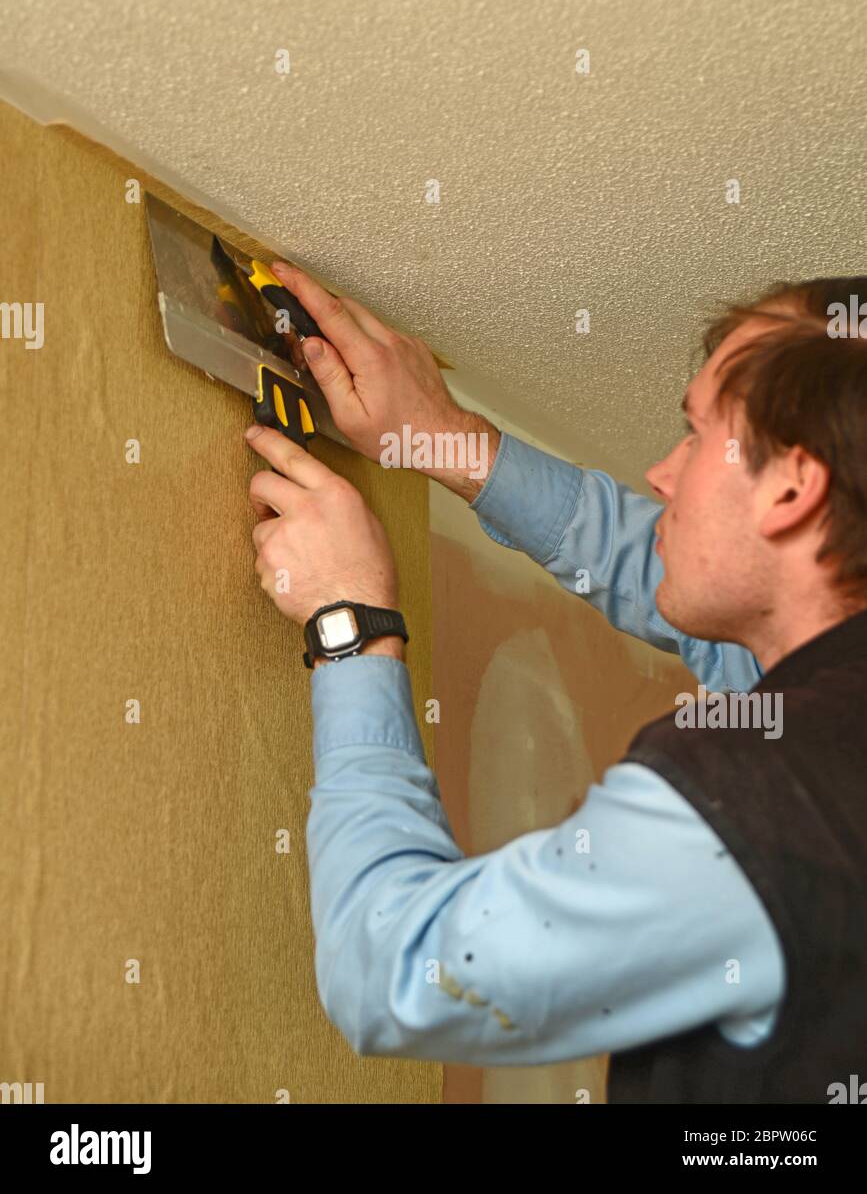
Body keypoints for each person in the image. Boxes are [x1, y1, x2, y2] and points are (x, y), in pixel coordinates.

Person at [244, 268, 867, 1104]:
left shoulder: (762, 798)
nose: (661, 473)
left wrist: (350, 625)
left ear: (792, 487)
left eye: (693, 436)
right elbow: (660, 572)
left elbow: (392, 969)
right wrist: (443, 441)